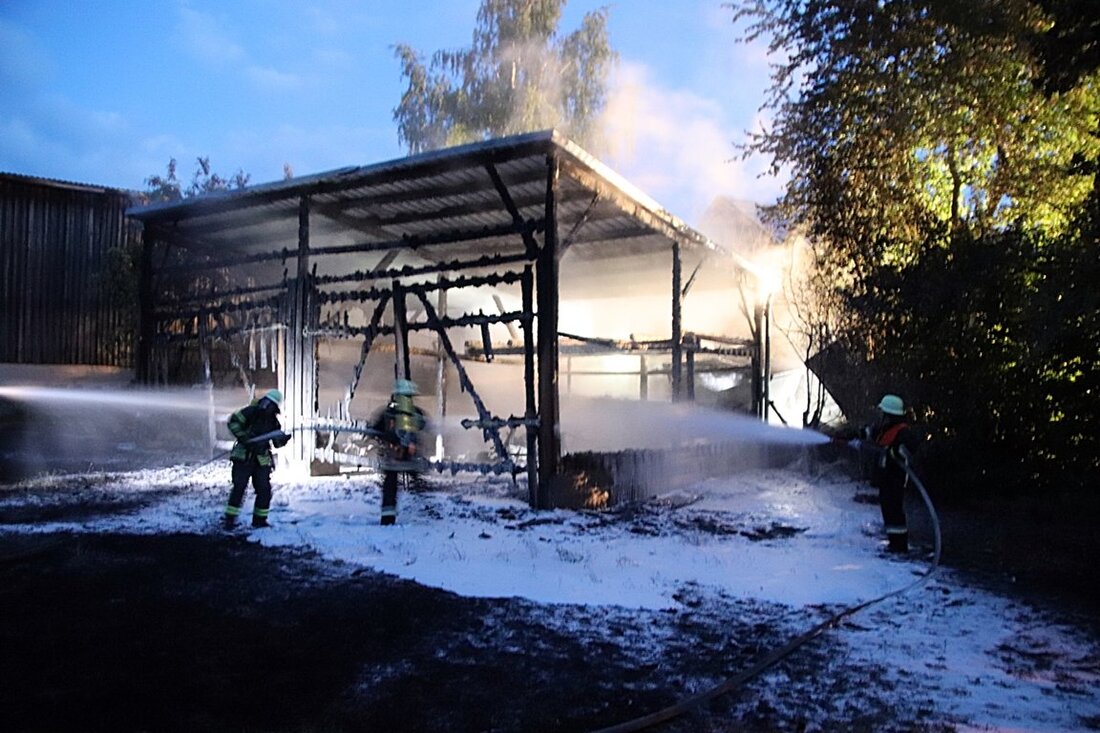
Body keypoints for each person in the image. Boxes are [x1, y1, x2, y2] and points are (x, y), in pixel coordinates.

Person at [224, 388, 291, 530]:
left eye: (271, 404)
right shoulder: (250, 411)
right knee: (239, 488)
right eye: (267, 402)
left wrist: (283, 439)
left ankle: (260, 521)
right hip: (243, 456)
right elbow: (233, 422)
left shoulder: (274, 422)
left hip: (261, 459)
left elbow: (276, 444)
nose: (267, 406)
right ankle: (230, 520)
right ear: (263, 400)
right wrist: (245, 437)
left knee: (264, 490)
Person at [863, 393, 920, 553]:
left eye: (884, 413)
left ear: (890, 415)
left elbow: (908, 450)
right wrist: (848, 434)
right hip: (886, 477)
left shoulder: (903, 432)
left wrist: (892, 451)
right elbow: (868, 433)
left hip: (896, 478)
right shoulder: (885, 429)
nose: (881, 415)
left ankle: (899, 546)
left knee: (894, 511)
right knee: (888, 510)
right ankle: (893, 543)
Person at [372, 379, 427, 525]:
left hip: (391, 459)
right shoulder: (416, 413)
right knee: (418, 482)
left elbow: (375, 430)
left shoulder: (386, 413)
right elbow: (424, 425)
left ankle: (388, 518)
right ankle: (428, 506)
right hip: (409, 458)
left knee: (390, 487)